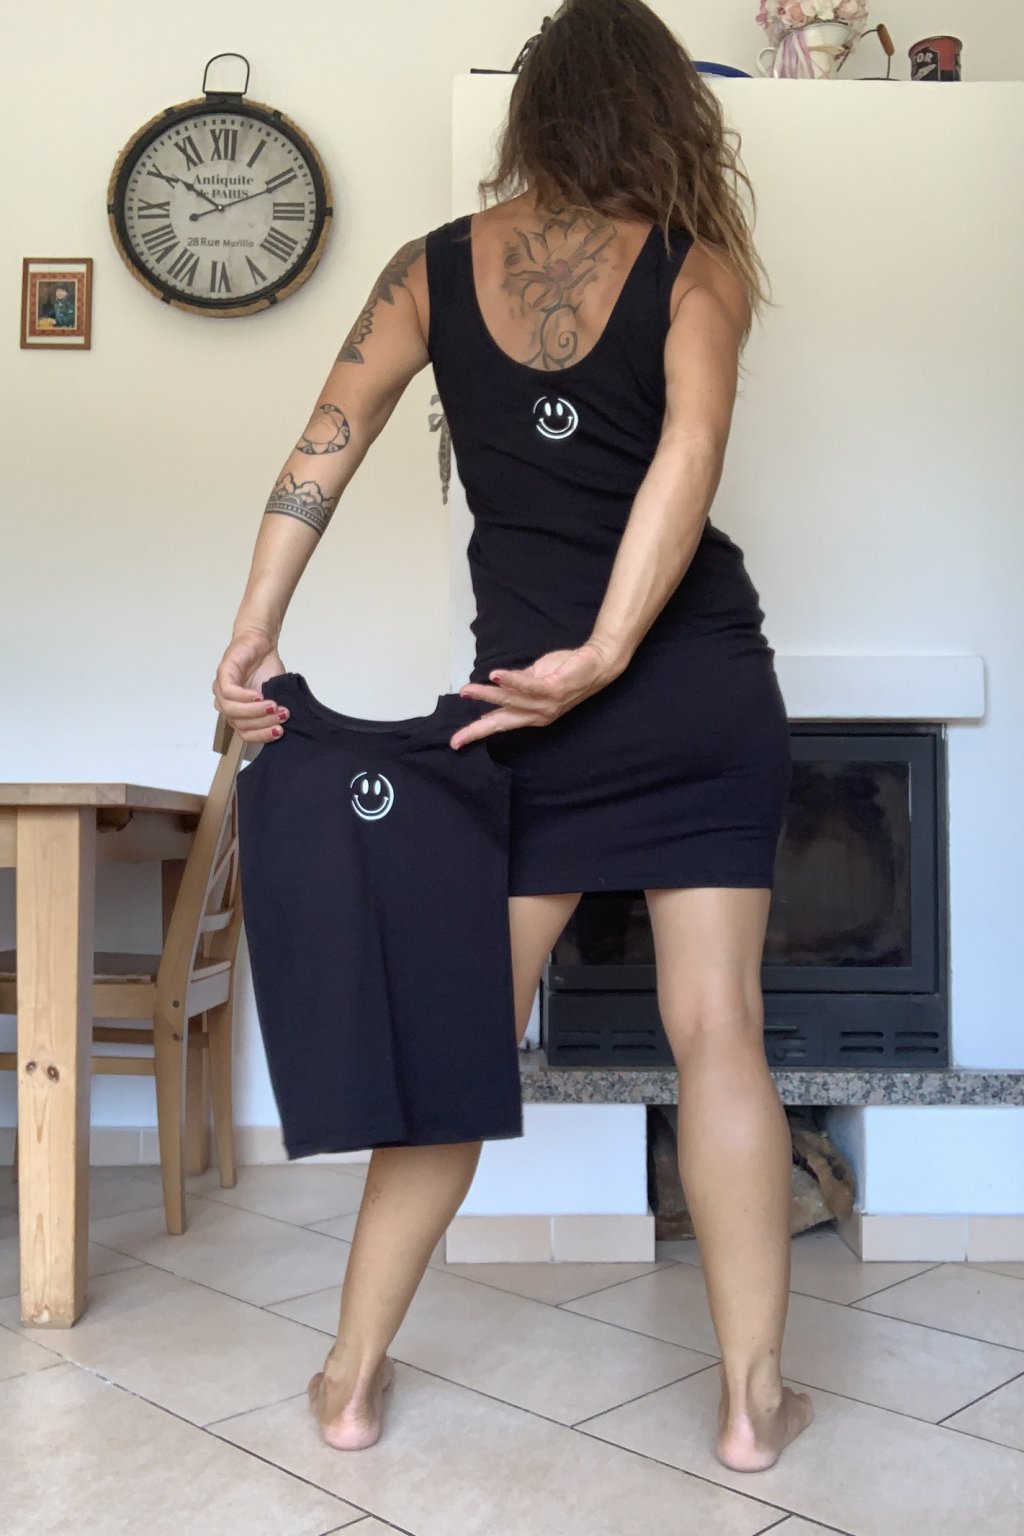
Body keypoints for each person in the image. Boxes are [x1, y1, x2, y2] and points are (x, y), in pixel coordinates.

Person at [212, 0, 812, 1473]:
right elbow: (691, 451)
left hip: (524, 706)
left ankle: (350, 1382)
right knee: (719, 1031)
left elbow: (322, 446)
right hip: (690, 685)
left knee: (461, 1036)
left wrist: (253, 629)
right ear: (666, 110)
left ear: (532, 114)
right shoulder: (697, 265)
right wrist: (609, 653)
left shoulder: (430, 269)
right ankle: (751, 1406)